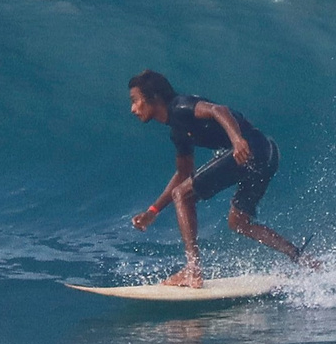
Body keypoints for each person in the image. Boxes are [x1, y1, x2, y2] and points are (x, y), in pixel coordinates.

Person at [126, 70, 310, 287]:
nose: (133, 109)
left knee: (182, 195)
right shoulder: (177, 132)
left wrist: (237, 140)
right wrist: (153, 211)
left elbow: (218, 110)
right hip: (267, 152)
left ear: (154, 97)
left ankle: (193, 270)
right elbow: (183, 174)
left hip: (251, 147)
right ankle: (301, 258)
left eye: (135, 101)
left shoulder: (180, 106)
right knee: (238, 222)